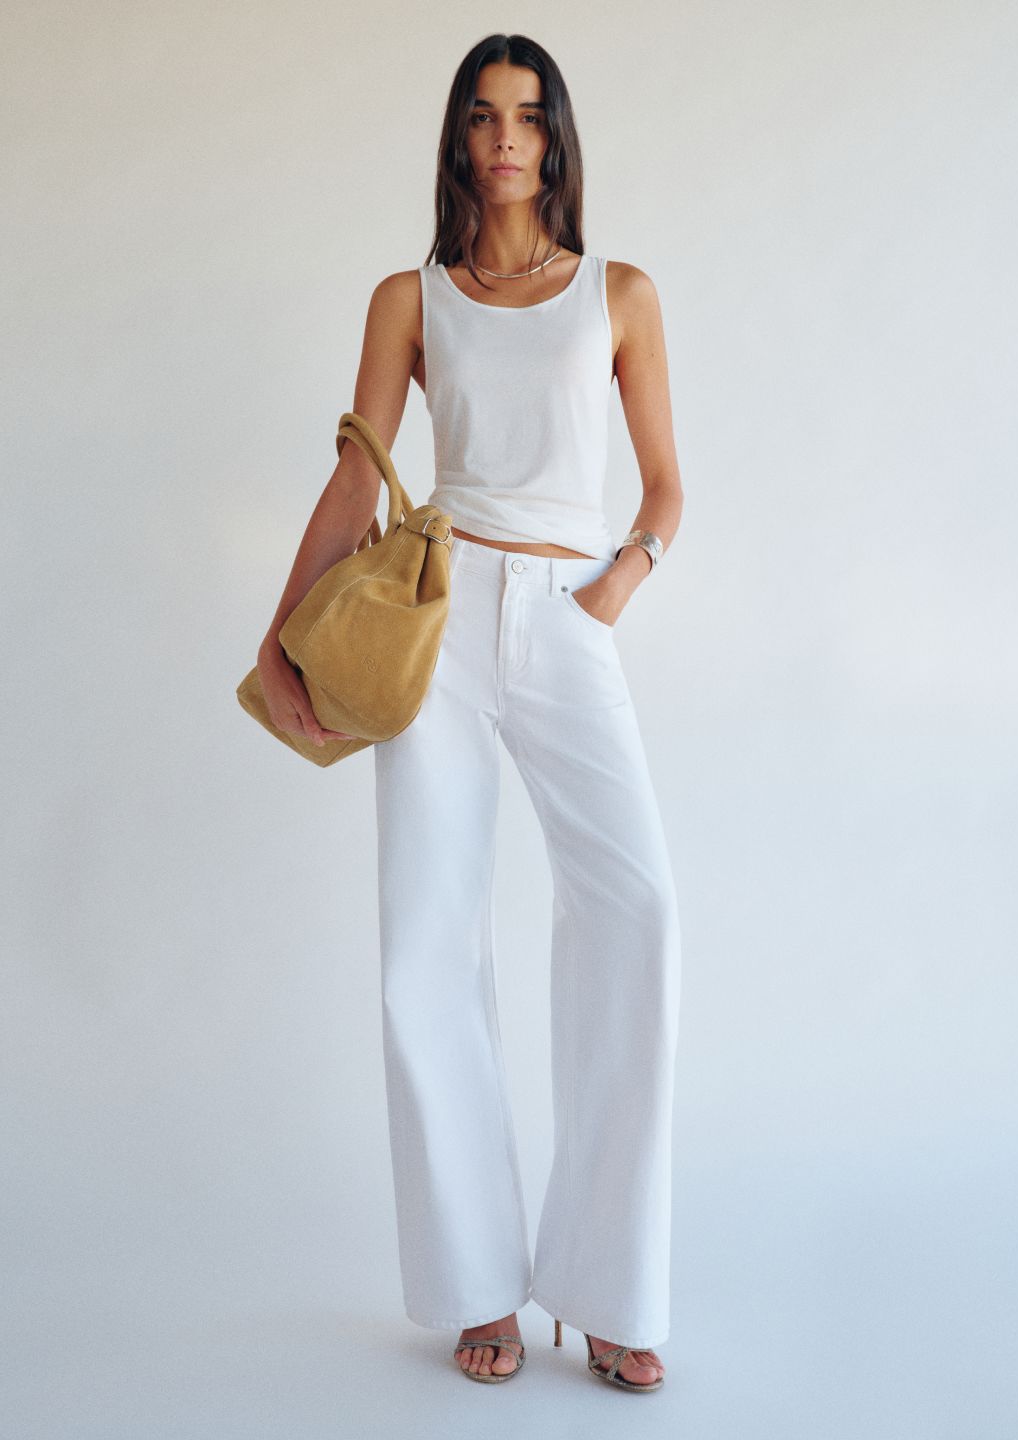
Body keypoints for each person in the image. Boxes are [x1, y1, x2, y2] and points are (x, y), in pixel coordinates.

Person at [255, 33, 683, 1393]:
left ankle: (610, 1287)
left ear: (556, 139)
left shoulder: (617, 294)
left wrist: (613, 589)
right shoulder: (411, 297)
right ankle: (477, 1286)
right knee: (427, 945)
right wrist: (284, 634)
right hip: (437, 615)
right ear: (458, 138)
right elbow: (357, 475)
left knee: (636, 911)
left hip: (568, 617)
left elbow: (666, 488)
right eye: (486, 116)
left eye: (529, 116)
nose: (507, 137)